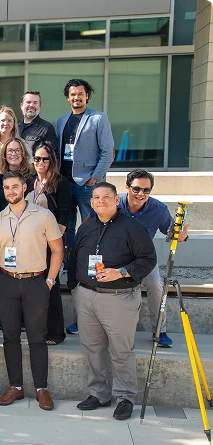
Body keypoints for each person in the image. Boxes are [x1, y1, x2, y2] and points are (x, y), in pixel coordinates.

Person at [0, 170, 63, 410]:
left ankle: (41, 389)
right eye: (6, 188)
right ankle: (15, 386)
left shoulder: (44, 215)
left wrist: (50, 280)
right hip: (7, 282)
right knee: (10, 337)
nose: (10, 191)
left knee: (37, 337)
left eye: (15, 187)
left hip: (36, 281)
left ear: (24, 188)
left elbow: (58, 250)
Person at [68, 182, 157, 421]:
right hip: (86, 296)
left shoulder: (132, 228)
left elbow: (148, 259)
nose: (100, 201)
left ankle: (125, 397)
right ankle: (99, 394)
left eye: (106, 197)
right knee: (92, 348)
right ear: (91, 201)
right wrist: (75, 286)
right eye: (96, 197)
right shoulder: (86, 227)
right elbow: (74, 256)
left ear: (117, 200)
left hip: (120, 298)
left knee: (121, 350)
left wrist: (121, 272)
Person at [118, 168, 189, 348]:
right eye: (136, 189)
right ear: (127, 187)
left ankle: (159, 330)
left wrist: (180, 236)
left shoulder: (159, 209)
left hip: (143, 258)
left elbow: (171, 231)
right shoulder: (114, 203)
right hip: (114, 255)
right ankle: (83, 323)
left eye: (146, 190)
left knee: (156, 284)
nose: (141, 194)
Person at [56, 78, 114, 253]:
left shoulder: (98, 118)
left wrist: (94, 178)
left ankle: (90, 258)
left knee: (92, 225)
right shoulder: (61, 120)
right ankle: (69, 261)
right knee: (67, 226)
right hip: (64, 182)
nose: (77, 97)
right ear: (68, 97)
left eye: (80, 94)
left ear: (87, 95)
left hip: (87, 183)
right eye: (73, 94)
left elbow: (107, 153)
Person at [28, 143, 72, 345]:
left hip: (50, 243)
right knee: (33, 287)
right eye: (37, 158)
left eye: (45, 159)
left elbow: (64, 215)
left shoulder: (61, 183)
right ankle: (36, 328)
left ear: (52, 160)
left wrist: (54, 241)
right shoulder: (30, 182)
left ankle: (55, 332)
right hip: (30, 243)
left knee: (50, 286)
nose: (40, 162)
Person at [0, 137, 34, 217]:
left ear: (23, 153)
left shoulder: (31, 178)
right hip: (2, 221)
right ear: (5, 154)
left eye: (17, 150)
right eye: (10, 150)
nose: (14, 154)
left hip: (26, 221)